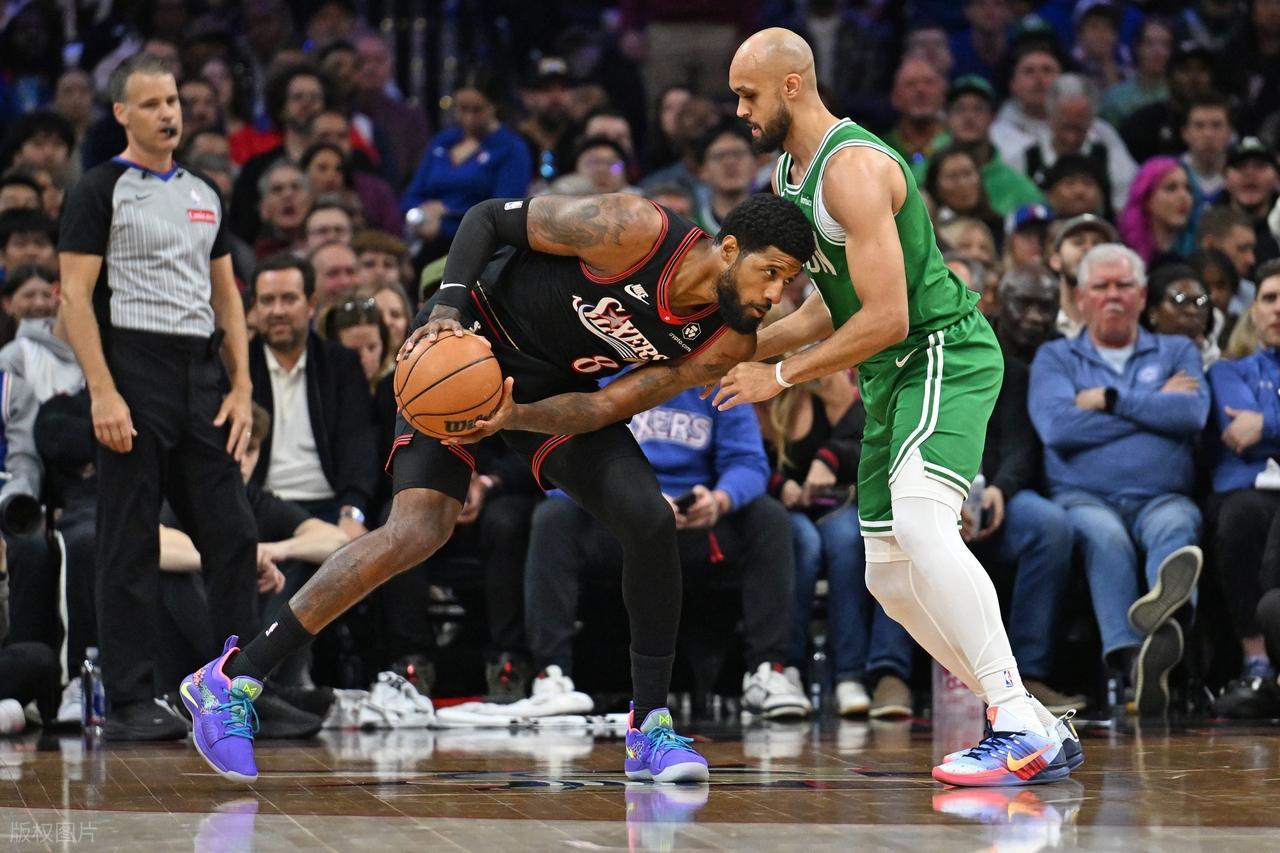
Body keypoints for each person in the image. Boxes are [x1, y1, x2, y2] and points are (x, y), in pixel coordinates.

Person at [182, 190, 814, 783]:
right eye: (771, 273)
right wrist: (448, 311)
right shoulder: (635, 231)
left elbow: (604, 407)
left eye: (787, 281)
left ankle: (649, 728)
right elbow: (488, 218)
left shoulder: (726, 339)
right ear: (729, 249)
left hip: (545, 388)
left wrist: (516, 416)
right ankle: (232, 679)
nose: (776, 294)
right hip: (461, 343)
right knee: (417, 530)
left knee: (648, 517)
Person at [726, 28, 1081, 787]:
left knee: (923, 522)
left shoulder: (853, 168)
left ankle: (1014, 718)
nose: (740, 111)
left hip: (939, 352)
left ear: (791, 85)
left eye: (747, 95)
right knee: (888, 577)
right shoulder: (790, 174)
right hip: (890, 374)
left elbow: (887, 317)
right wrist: (735, 351)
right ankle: (1031, 720)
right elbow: (831, 304)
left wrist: (778, 374)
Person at [57, 53, 259, 741]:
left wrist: (241, 386)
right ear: (121, 113)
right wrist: (103, 392)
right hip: (132, 366)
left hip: (199, 374)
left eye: (172, 100)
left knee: (234, 533)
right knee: (130, 540)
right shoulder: (99, 189)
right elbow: (74, 299)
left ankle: (233, 691)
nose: (168, 113)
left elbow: (227, 297)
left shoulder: (205, 190)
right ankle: (129, 699)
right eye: (151, 104)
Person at [525, 382, 811, 720]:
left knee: (770, 518)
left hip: (695, 523)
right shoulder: (595, 379)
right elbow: (559, 466)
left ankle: (767, 670)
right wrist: (633, 501)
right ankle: (551, 675)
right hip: (618, 522)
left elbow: (749, 462)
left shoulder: (716, 382)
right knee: (552, 518)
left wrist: (720, 499)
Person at [1029, 243, 1208, 717]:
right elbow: (1058, 428)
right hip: (1083, 498)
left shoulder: (1176, 349)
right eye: (1101, 286)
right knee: (1105, 537)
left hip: (1162, 497)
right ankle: (1136, 662)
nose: (1113, 295)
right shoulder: (1056, 357)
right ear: (1081, 297)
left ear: (1142, 295)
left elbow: (1191, 413)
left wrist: (1109, 400)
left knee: (1177, 527)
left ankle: (1162, 622)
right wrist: (1154, 405)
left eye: (1124, 285)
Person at [1207, 260, 1280, 717]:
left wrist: (1265, 422)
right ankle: (1258, 661)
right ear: (1253, 311)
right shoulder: (1228, 371)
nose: (1278, 309)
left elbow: (1255, 429)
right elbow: (1238, 433)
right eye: (1269, 298)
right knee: (1239, 517)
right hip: (1247, 492)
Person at [1118, 157, 1195, 265]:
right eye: (1171, 188)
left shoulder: (1197, 252)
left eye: (1188, 188)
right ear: (1146, 199)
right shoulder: (1124, 256)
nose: (1184, 196)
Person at [1143, 262, 1219, 368]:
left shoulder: (1217, 366)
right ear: (1153, 312)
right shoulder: (1132, 362)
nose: (1193, 311)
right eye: (1180, 301)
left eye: (1201, 301)